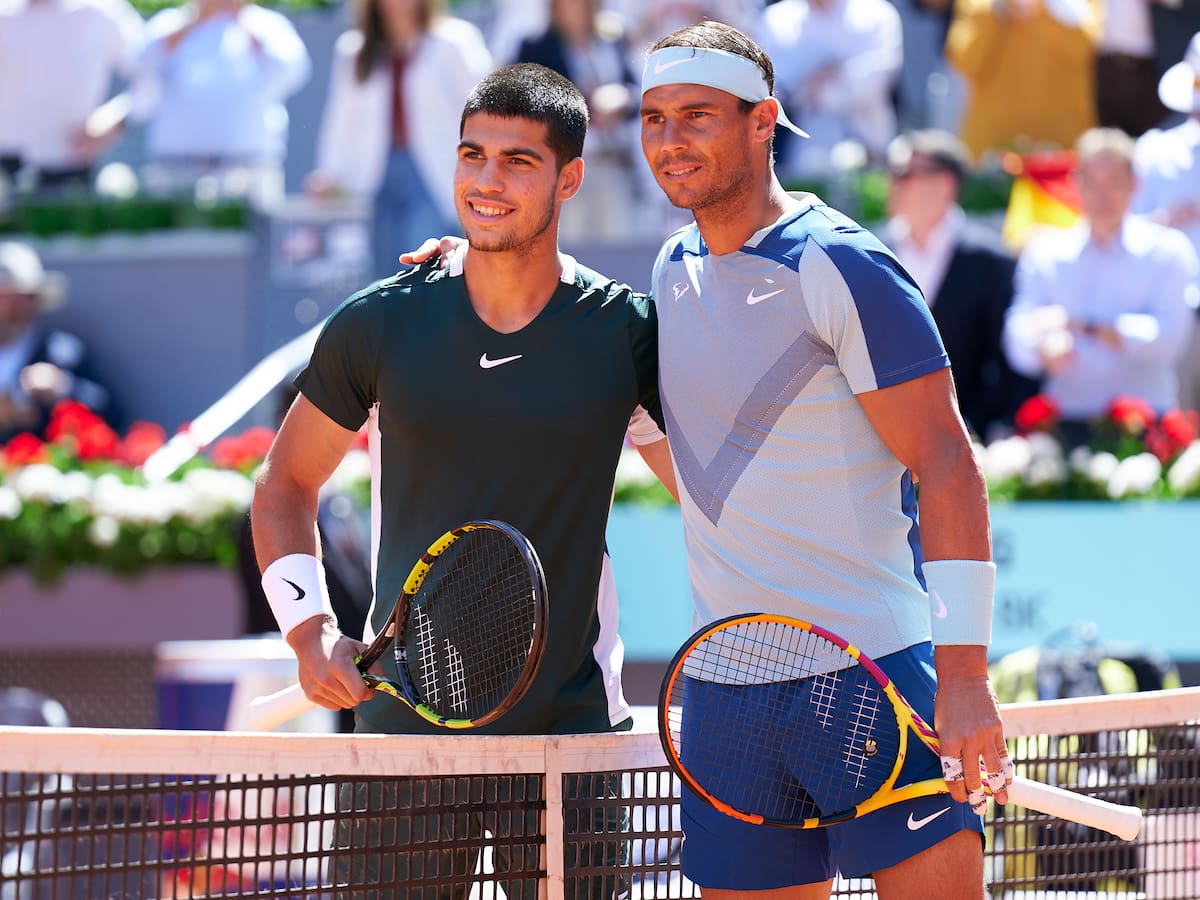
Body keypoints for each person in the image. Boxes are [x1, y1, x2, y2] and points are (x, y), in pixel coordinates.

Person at [252, 62, 674, 898]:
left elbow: (713, 495)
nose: (487, 181)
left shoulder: (625, 334)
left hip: (571, 738)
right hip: (404, 733)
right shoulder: (382, 318)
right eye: (472, 155)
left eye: (518, 161)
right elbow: (283, 485)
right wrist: (308, 632)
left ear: (569, 179)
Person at [638, 20, 1008, 899]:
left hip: (870, 671)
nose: (670, 140)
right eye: (654, 118)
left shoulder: (843, 261)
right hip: (726, 690)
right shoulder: (670, 266)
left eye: (697, 115)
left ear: (763, 120)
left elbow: (948, 465)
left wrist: (964, 677)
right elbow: (705, 478)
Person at [1004, 127, 1199, 445]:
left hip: (1148, 426)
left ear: (1134, 185)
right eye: (1092, 182)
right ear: (1076, 183)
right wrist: (1043, 344)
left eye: (1113, 182)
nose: (1102, 195)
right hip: (1065, 425)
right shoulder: (1045, 253)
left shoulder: (1169, 252)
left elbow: (1169, 339)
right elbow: (1017, 338)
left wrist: (1083, 326)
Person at [305, 0, 492, 281]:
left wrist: (483, 167)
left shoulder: (454, 42)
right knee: (378, 275)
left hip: (434, 176)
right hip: (372, 179)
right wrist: (329, 173)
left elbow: (485, 111)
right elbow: (341, 119)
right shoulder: (355, 49)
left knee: (422, 268)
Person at [882, 129, 1038, 440]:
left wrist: (986, 430)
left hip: (970, 439)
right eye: (894, 173)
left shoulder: (990, 259)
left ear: (945, 184)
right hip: (884, 438)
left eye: (906, 173)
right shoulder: (871, 251)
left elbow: (1006, 358)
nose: (894, 183)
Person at [131, 0, 310, 207]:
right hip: (176, 171)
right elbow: (137, 62)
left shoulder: (267, 24)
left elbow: (291, 70)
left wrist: (241, 20)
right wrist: (194, 22)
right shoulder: (172, 22)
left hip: (247, 171)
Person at [516, 0, 646, 243]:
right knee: (570, 248)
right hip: (564, 168)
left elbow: (639, 93)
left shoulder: (613, 39)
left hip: (614, 163)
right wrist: (585, 104)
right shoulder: (536, 46)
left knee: (620, 247)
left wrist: (621, 99)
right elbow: (524, 105)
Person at [0, 0, 144, 192]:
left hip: (69, 165)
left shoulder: (102, 12)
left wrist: (117, 118)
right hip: (4, 164)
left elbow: (151, 72)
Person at [752, 0, 904, 176]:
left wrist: (813, 87)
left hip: (871, 145)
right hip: (800, 155)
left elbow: (874, 82)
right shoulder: (777, 19)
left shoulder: (877, 14)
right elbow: (769, 87)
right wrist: (830, 75)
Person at [945, 0, 1102, 161]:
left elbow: (1088, 50)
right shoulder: (980, 4)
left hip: (1062, 151)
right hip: (990, 152)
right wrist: (997, 10)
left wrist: (1041, 10)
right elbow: (965, 62)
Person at [1134, 31, 1200, 409]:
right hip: (1173, 316)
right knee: (1177, 423)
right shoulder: (1155, 151)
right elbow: (1123, 231)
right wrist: (1165, 220)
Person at [0, 241, 115, 445]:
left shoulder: (61, 351)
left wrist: (63, 387)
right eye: (7, 297)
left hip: (44, 460)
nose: (15, 307)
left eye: (24, 297)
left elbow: (109, 411)